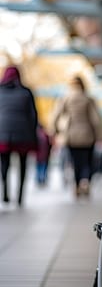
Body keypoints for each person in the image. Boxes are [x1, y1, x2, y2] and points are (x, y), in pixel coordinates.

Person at [51, 75, 102, 198]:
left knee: (75, 162)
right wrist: (101, 136)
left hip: (71, 136)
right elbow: (96, 119)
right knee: (87, 161)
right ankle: (85, 183)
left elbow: (56, 115)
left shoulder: (66, 98)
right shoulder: (88, 99)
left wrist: (54, 131)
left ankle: (76, 186)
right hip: (88, 136)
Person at [0, 65, 38, 206]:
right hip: (23, 135)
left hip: (3, 135)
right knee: (23, 165)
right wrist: (33, 135)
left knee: (4, 165)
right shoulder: (26, 92)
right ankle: (20, 197)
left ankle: (5, 193)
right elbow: (33, 116)